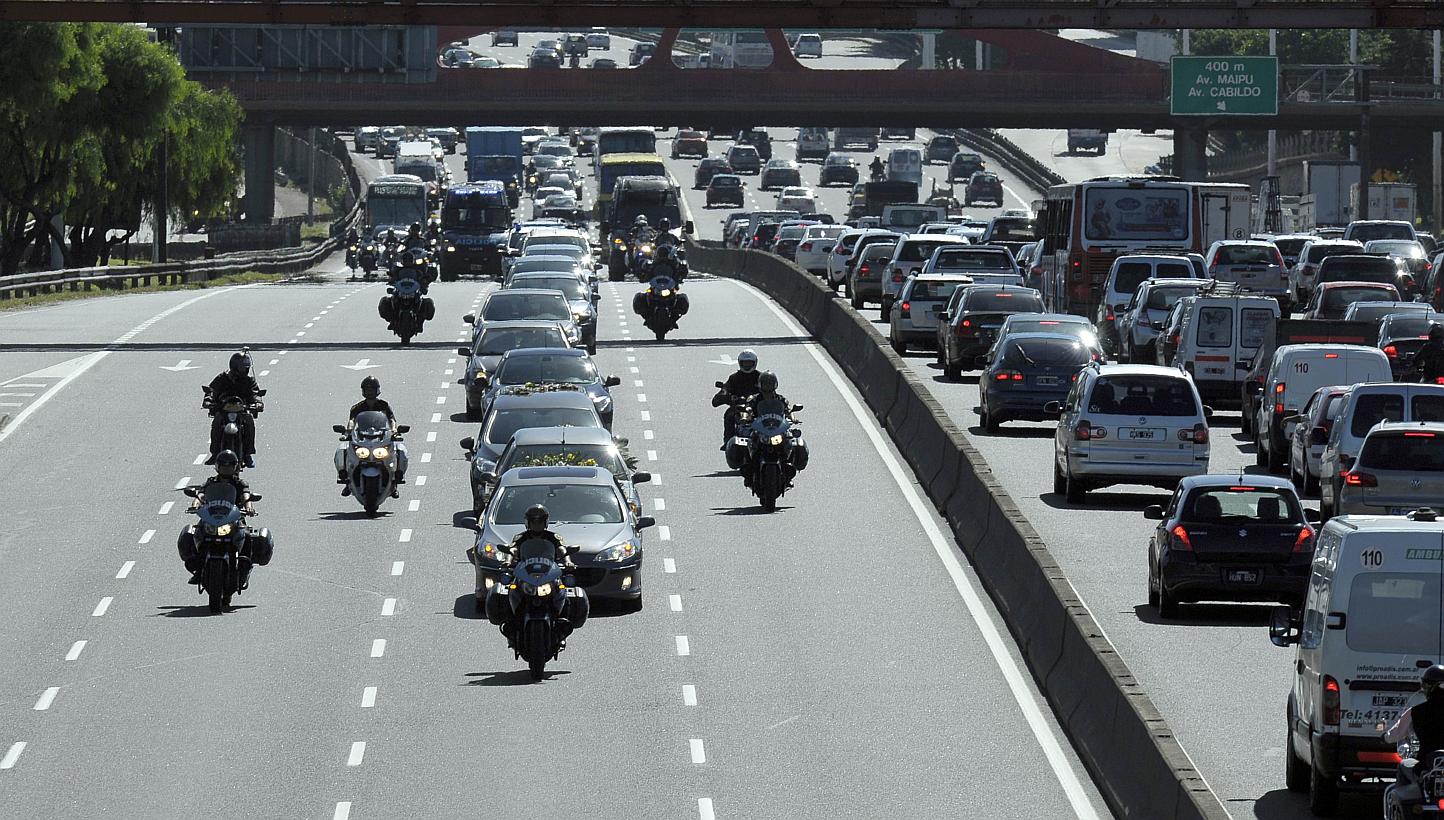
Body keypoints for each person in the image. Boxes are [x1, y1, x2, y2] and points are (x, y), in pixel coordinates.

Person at [186, 449, 256, 584]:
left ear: (235, 466)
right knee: (194, 533)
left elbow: (246, 497)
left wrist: (249, 508)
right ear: (217, 466)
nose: (226, 468)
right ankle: (198, 569)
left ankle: (244, 569)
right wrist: (195, 505)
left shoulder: (240, 483)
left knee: (246, 535)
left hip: (233, 518)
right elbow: (201, 495)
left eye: (229, 465)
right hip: (211, 517)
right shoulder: (211, 482)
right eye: (223, 465)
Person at [336, 376, 407, 497]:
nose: (369, 391)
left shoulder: (384, 405)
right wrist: (348, 431)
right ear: (363, 390)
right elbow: (352, 421)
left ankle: (395, 481)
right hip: (362, 437)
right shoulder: (357, 407)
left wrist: (394, 431)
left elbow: (391, 420)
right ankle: (347, 480)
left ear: (377, 390)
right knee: (342, 449)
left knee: (401, 450)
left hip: (381, 437)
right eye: (367, 389)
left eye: (372, 389)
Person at [1383, 665, 1444, 804]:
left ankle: (1406, 806)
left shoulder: (1416, 711)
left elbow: (1396, 734)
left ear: (1429, 687)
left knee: (1403, 765)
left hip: (1426, 765)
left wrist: (1384, 737)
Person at [204, 349, 262, 467]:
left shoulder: (249, 380)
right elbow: (212, 390)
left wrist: (257, 403)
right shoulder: (222, 377)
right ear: (234, 367)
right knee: (217, 422)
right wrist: (208, 400)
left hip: (242, 411)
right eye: (242, 368)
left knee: (249, 421)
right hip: (224, 410)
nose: (245, 371)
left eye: (246, 368)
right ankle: (215, 453)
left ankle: (248, 454)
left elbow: (255, 392)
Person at [712, 349, 760, 447]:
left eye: (749, 363)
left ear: (755, 363)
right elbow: (725, 390)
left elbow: (770, 390)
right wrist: (724, 395)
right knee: (729, 414)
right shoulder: (734, 378)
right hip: (740, 408)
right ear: (740, 363)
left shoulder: (760, 377)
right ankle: (728, 440)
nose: (747, 365)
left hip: (758, 407)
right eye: (745, 363)